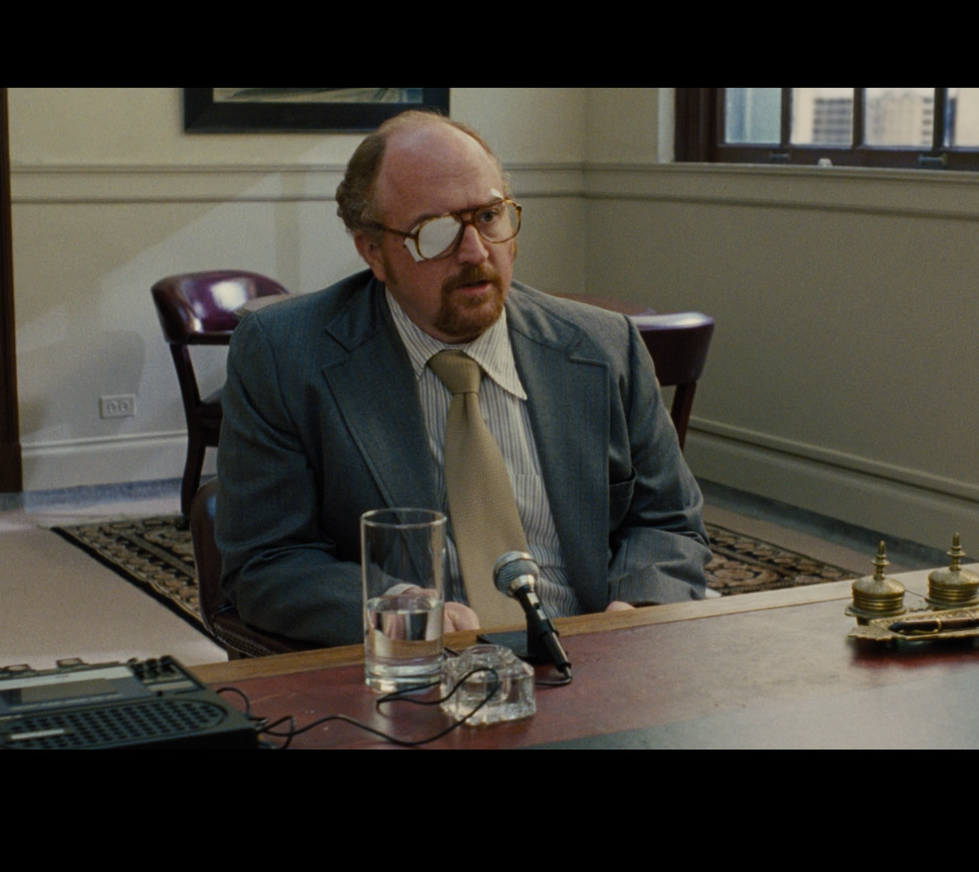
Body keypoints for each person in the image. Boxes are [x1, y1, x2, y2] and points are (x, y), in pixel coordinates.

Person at [216, 110, 709, 646]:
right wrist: (395, 609)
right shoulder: (285, 354)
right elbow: (267, 562)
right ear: (373, 252)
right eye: (437, 231)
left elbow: (669, 522)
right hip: (419, 674)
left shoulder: (604, 345)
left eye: (490, 217)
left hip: (595, 660)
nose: (475, 252)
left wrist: (633, 607)